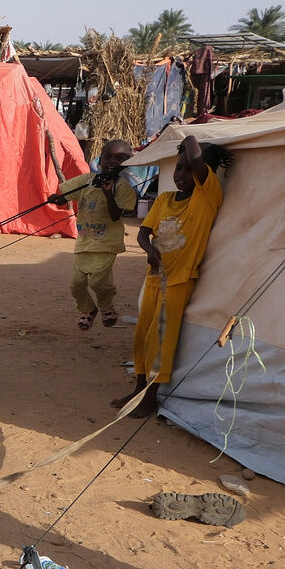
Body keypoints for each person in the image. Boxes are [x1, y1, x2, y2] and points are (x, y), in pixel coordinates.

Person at [117, 135, 227, 416]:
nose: (181, 175)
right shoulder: (165, 199)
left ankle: (150, 396)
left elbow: (193, 150)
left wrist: (187, 137)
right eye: (177, 168)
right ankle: (137, 389)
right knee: (142, 336)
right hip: (155, 277)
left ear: (204, 173)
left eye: (188, 170)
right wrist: (149, 249)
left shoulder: (207, 196)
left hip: (178, 281)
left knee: (160, 339)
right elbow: (143, 232)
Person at [49, 139, 138, 330]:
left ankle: (106, 307)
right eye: (109, 157)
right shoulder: (87, 180)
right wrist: (58, 199)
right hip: (84, 242)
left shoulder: (122, 187)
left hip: (106, 245)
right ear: (101, 159)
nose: (113, 161)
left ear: (128, 161)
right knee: (76, 284)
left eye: (120, 158)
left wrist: (107, 195)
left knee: (99, 282)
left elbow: (116, 216)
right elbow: (65, 194)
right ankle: (88, 308)